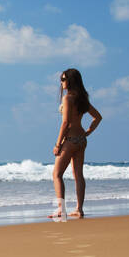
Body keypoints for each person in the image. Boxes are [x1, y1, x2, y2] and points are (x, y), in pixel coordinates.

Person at [49, 68, 102, 219]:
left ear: (71, 81)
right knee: (78, 175)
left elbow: (65, 123)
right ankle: (79, 209)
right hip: (81, 141)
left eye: (64, 79)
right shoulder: (82, 99)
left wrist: (58, 144)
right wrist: (87, 132)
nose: (61, 82)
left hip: (70, 140)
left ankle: (61, 209)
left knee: (57, 174)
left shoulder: (68, 99)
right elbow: (97, 117)